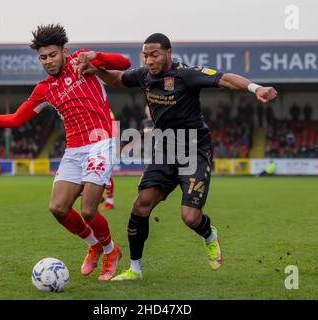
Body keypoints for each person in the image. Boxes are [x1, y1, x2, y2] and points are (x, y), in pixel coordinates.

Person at [75, 33, 277, 280]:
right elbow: (118, 79)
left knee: (190, 217)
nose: (149, 60)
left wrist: (256, 88)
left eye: (155, 55)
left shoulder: (187, 75)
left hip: (194, 150)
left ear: (169, 53)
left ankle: (209, 234)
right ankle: (135, 269)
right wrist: (96, 69)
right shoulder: (144, 76)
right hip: (163, 150)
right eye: (146, 55)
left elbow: (225, 79)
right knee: (141, 206)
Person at [0, 24, 131, 281]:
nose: (48, 61)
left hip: (100, 141)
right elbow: (15, 120)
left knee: (88, 210)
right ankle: (95, 245)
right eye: (43, 57)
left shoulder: (82, 62)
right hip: (75, 149)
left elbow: (124, 63)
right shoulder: (44, 89)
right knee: (58, 208)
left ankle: (111, 252)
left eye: (52, 55)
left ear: (64, 52)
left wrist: (95, 57)